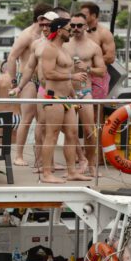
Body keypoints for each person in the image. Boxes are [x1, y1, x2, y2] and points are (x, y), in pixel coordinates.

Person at [38, 18, 91, 184]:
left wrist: (73, 95)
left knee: (72, 134)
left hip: (67, 99)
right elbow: (48, 74)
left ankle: (71, 172)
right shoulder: (50, 49)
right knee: (51, 135)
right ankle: (47, 173)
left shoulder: (65, 50)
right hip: (53, 98)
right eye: (69, 29)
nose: (72, 31)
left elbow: (66, 78)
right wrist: (72, 75)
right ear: (60, 30)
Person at [5, 3, 53, 165]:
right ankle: (18, 155)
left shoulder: (48, 34)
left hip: (44, 80)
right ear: (40, 18)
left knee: (44, 120)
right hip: (28, 80)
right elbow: (12, 57)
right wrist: (13, 82)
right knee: (27, 117)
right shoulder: (27, 35)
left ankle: (41, 158)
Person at [64, 12, 106, 176]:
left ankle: (92, 166)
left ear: (86, 26)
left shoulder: (93, 47)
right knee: (69, 131)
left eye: (79, 25)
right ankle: (75, 166)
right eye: (72, 25)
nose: (75, 28)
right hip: (67, 92)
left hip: (84, 91)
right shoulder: (64, 44)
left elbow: (102, 71)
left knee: (90, 130)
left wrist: (86, 68)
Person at [80, 2, 116, 99]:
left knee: (96, 107)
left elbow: (110, 57)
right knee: (79, 106)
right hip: (82, 76)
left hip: (98, 77)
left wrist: (91, 62)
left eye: (84, 15)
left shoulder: (104, 33)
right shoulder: (78, 31)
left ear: (94, 16)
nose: (81, 17)